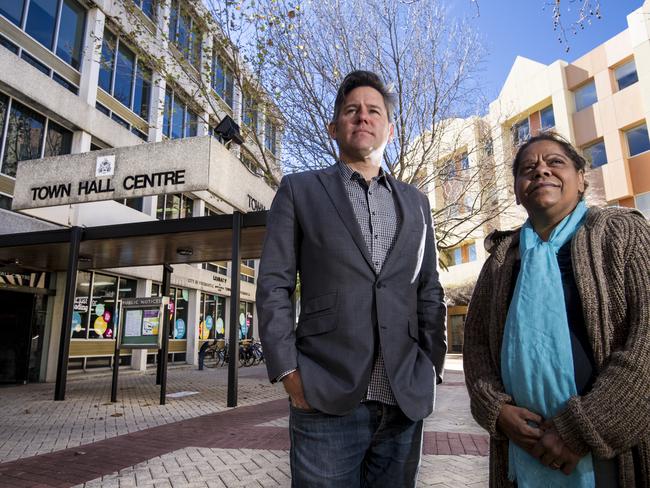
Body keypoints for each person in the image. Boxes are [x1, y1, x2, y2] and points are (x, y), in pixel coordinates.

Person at [256, 70, 447, 487]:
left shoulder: (417, 203)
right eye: (351, 110)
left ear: (389, 129)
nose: (363, 117)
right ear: (334, 126)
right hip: (324, 396)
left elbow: (430, 290)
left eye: (373, 111)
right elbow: (274, 285)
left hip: (403, 398)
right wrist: (288, 371)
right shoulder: (299, 190)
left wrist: (432, 366)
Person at [463, 131, 650, 487]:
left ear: (581, 179)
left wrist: (582, 429)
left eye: (555, 162)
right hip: (520, 455)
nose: (541, 171)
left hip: (608, 454)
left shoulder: (624, 233)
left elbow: (646, 340)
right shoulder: (501, 259)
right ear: (518, 192)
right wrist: (497, 410)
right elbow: (476, 349)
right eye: (528, 168)